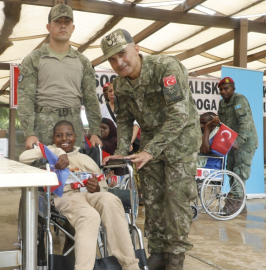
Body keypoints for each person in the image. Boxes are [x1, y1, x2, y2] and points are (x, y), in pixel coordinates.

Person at [100, 29, 201, 270]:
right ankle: (157, 254)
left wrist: (150, 150)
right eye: (111, 59)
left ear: (136, 48)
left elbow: (179, 115)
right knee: (153, 200)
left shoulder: (166, 68)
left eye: (122, 54)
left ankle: (175, 258)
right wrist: (122, 151)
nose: (118, 62)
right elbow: (123, 120)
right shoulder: (120, 85)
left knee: (176, 201)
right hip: (150, 144)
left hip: (181, 142)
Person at [19, 120, 140, 270]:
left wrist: (96, 188)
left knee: (112, 200)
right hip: (66, 197)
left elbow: (102, 186)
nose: (64, 139)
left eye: (68, 135)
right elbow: (23, 157)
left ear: (75, 137)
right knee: (89, 216)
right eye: (59, 135)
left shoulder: (85, 159)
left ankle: (130, 266)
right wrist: (59, 153)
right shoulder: (48, 153)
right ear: (53, 138)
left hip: (90, 194)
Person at [17, 4, 102, 150]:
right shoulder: (34, 59)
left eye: (67, 22)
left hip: (74, 124)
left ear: (72, 28)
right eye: (58, 21)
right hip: (44, 125)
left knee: (76, 169)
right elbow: (26, 98)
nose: (63, 25)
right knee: (45, 170)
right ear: (49, 27)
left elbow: (91, 99)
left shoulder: (83, 62)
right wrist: (29, 133)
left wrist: (95, 132)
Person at [217, 77, 258, 214]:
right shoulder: (222, 104)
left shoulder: (239, 100)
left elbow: (245, 123)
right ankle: (241, 206)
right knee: (230, 169)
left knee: (240, 170)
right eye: (221, 89)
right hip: (231, 143)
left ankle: (233, 202)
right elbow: (222, 124)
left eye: (226, 88)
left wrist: (239, 142)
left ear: (233, 89)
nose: (223, 91)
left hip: (245, 142)